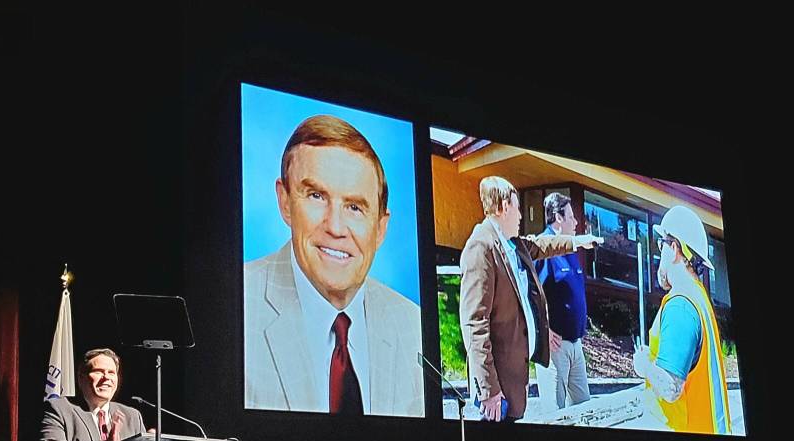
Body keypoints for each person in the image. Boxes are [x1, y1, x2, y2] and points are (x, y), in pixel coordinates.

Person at [244, 114, 424, 417]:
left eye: (354, 207)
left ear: (381, 228)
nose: (336, 227)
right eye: (316, 196)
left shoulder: (412, 326)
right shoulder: (235, 304)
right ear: (285, 202)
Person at [459, 177, 602, 421]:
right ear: (503, 208)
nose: (520, 216)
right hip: (498, 389)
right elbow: (474, 324)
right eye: (516, 208)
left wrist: (577, 242)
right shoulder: (480, 247)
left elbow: (543, 244)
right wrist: (489, 390)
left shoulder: (513, 244)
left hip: (514, 380)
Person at [632, 205, 731, 434]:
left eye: (661, 244)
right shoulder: (698, 296)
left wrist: (644, 366)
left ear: (674, 248)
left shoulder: (681, 305)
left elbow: (670, 388)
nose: (658, 252)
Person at [534, 192, 592, 412]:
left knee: (584, 410)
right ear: (558, 218)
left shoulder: (569, 248)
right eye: (571, 217)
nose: (576, 222)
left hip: (575, 345)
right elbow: (531, 294)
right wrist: (543, 331)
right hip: (555, 347)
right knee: (555, 415)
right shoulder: (543, 248)